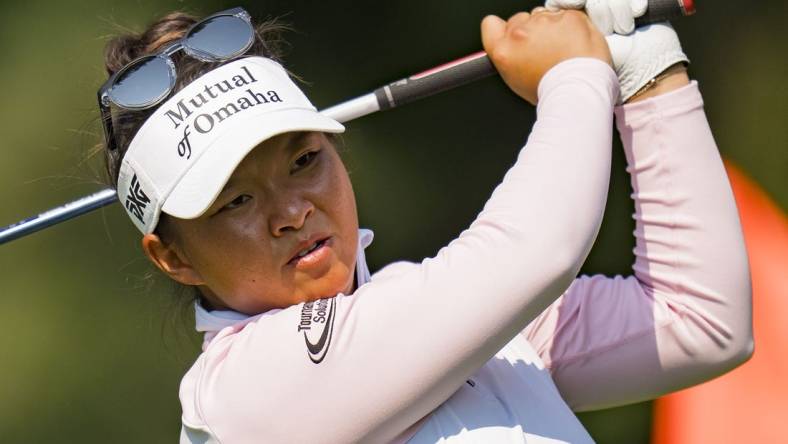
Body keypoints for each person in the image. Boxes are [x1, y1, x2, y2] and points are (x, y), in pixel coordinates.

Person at [96, 2, 752, 443]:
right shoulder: (237, 397)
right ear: (172, 256)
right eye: (235, 201)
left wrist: (641, 65)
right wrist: (576, 75)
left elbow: (699, 320)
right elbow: (537, 250)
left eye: (303, 160)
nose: (292, 211)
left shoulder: (443, 311)